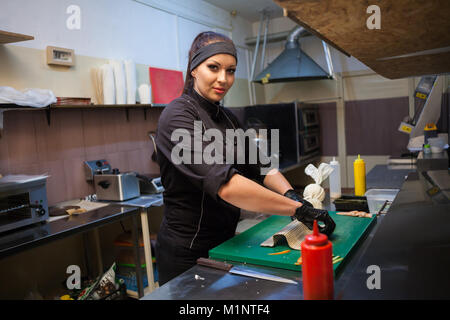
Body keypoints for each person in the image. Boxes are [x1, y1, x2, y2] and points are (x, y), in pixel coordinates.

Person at [155, 31, 335, 285]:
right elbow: (226, 186)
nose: (223, 79)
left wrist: (291, 194)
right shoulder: (178, 116)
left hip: (227, 243)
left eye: (230, 70)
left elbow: (263, 168)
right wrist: (299, 211)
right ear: (194, 68)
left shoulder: (228, 118)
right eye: (213, 67)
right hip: (187, 252)